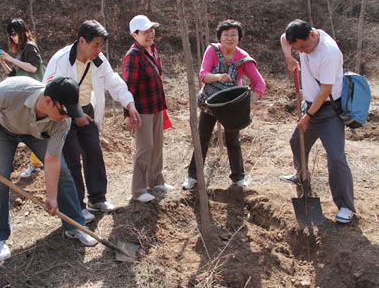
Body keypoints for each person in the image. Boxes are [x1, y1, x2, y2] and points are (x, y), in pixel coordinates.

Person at [0, 76, 98, 261]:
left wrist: (52, 197)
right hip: (3, 130)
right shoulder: (11, 91)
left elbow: (52, 159)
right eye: (64, 111)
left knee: (63, 172)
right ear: (48, 101)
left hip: (37, 134)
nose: (66, 117)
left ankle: (75, 226)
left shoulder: (62, 120)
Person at [43, 20, 141, 222]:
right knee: (71, 160)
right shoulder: (61, 61)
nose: (99, 50)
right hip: (63, 114)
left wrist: (129, 104)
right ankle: (77, 206)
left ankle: (97, 198)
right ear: (82, 41)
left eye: (101, 46)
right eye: (96, 45)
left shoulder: (98, 59)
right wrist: (75, 114)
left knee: (94, 152)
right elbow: (51, 93)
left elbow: (113, 82)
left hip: (87, 109)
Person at [280, 19, 355, 224]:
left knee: (336, 158)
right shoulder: (302, 39)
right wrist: (289, 57)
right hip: (310, 106)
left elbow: (325, 91)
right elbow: (283, 39)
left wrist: (308, 116)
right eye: (298, 49)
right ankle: (301, 174)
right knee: (297, 142)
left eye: (303, 47)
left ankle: (346, 207)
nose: (302, 52)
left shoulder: (328, 53)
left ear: (312, 35)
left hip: (328, 110)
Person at [182, 19, 266, 190]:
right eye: (226, 35)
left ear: (239, 38)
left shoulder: (244, 59)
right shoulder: (212, 50)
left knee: (233, 140)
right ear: (220, 37)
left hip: (232, 106)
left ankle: (238, 178)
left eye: (233, 34)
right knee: (202, 138)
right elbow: (203, 75)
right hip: (210, 102)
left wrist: (248, 103)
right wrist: (219, 76)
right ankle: (193, 176)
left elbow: (260, 84)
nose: (229, 38)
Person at [122, 15, 174, 203]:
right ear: (135, 35)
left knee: (157, 144)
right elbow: (128, 86)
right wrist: (128, 114)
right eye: (145, 31)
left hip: (156, 105)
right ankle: (139, 189)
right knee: (145, 147)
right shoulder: (133, 56)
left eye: (151, 30)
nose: (150, 34)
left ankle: (156, 180)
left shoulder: (153, 50)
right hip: (142, 109)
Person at [0, 18, 45, 179]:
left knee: (36, 129)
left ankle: (37, 164)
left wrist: (11, 59)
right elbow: (13, 75)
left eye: (14, 34)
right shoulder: (22, 50)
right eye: (10, 35)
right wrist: (3, 63)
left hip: (35, 93)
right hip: (26, 93)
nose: (12, 38)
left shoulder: (30, 46)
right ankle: (37, 163)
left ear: (22, 31)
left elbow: (33, 67)